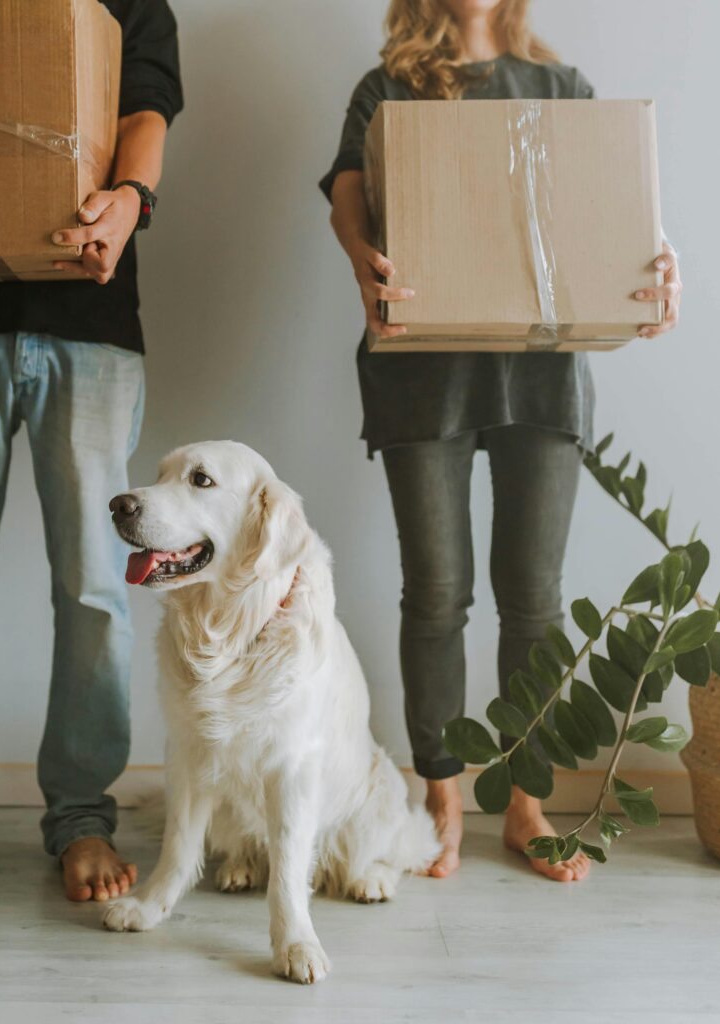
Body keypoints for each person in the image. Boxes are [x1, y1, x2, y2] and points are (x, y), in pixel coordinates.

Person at [321, 0, 682, 882]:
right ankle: (440, 792)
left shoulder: (562, 91)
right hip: (423, 371)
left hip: (541, 371)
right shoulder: (388, 91)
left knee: (533, 598)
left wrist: (660, 261)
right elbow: (347, 201)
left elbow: (617, 208)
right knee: (436, 593)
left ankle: (525, 799)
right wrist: (361, 256)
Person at [0, 0, 183, 900]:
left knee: (96, 586)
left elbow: (145, 111)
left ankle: (80, 821)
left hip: (88, 317)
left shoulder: (126, 2)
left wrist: (129, 203)